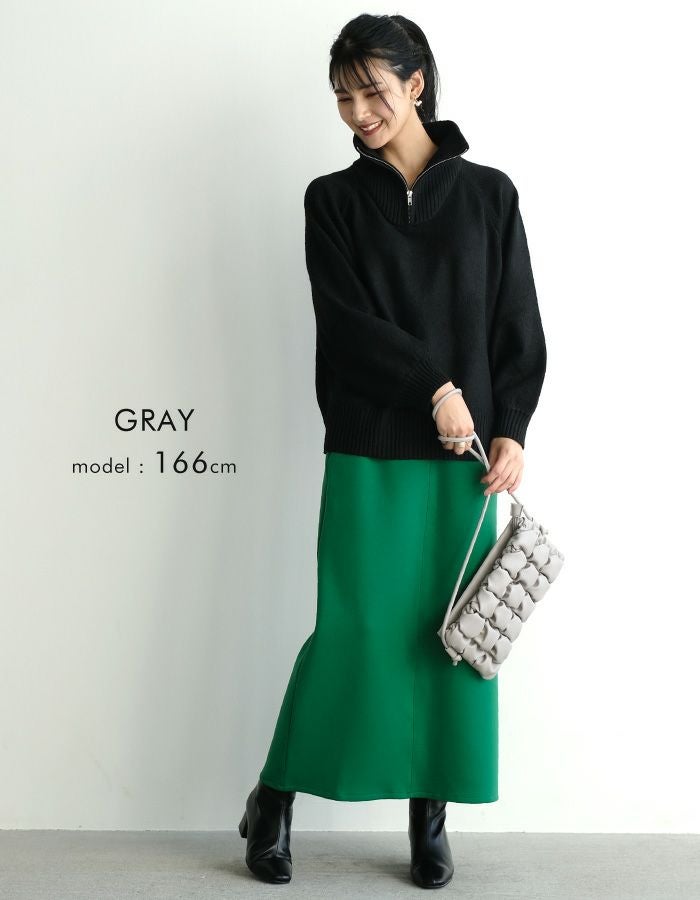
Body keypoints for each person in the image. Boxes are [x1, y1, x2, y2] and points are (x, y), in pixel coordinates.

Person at [238, 12, 547, 890]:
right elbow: (346, 327)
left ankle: (429, 818)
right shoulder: (331, 202)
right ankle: (272, 797)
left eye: (372, 90)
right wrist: (435, 387)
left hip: (465, 466)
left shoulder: (489, 196)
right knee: (355, 632)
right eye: (343, 97)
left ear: (416, 84)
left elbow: (517, 324)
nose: (358, 112)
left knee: (449, 639)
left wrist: (512, 426)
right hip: (370, 447)